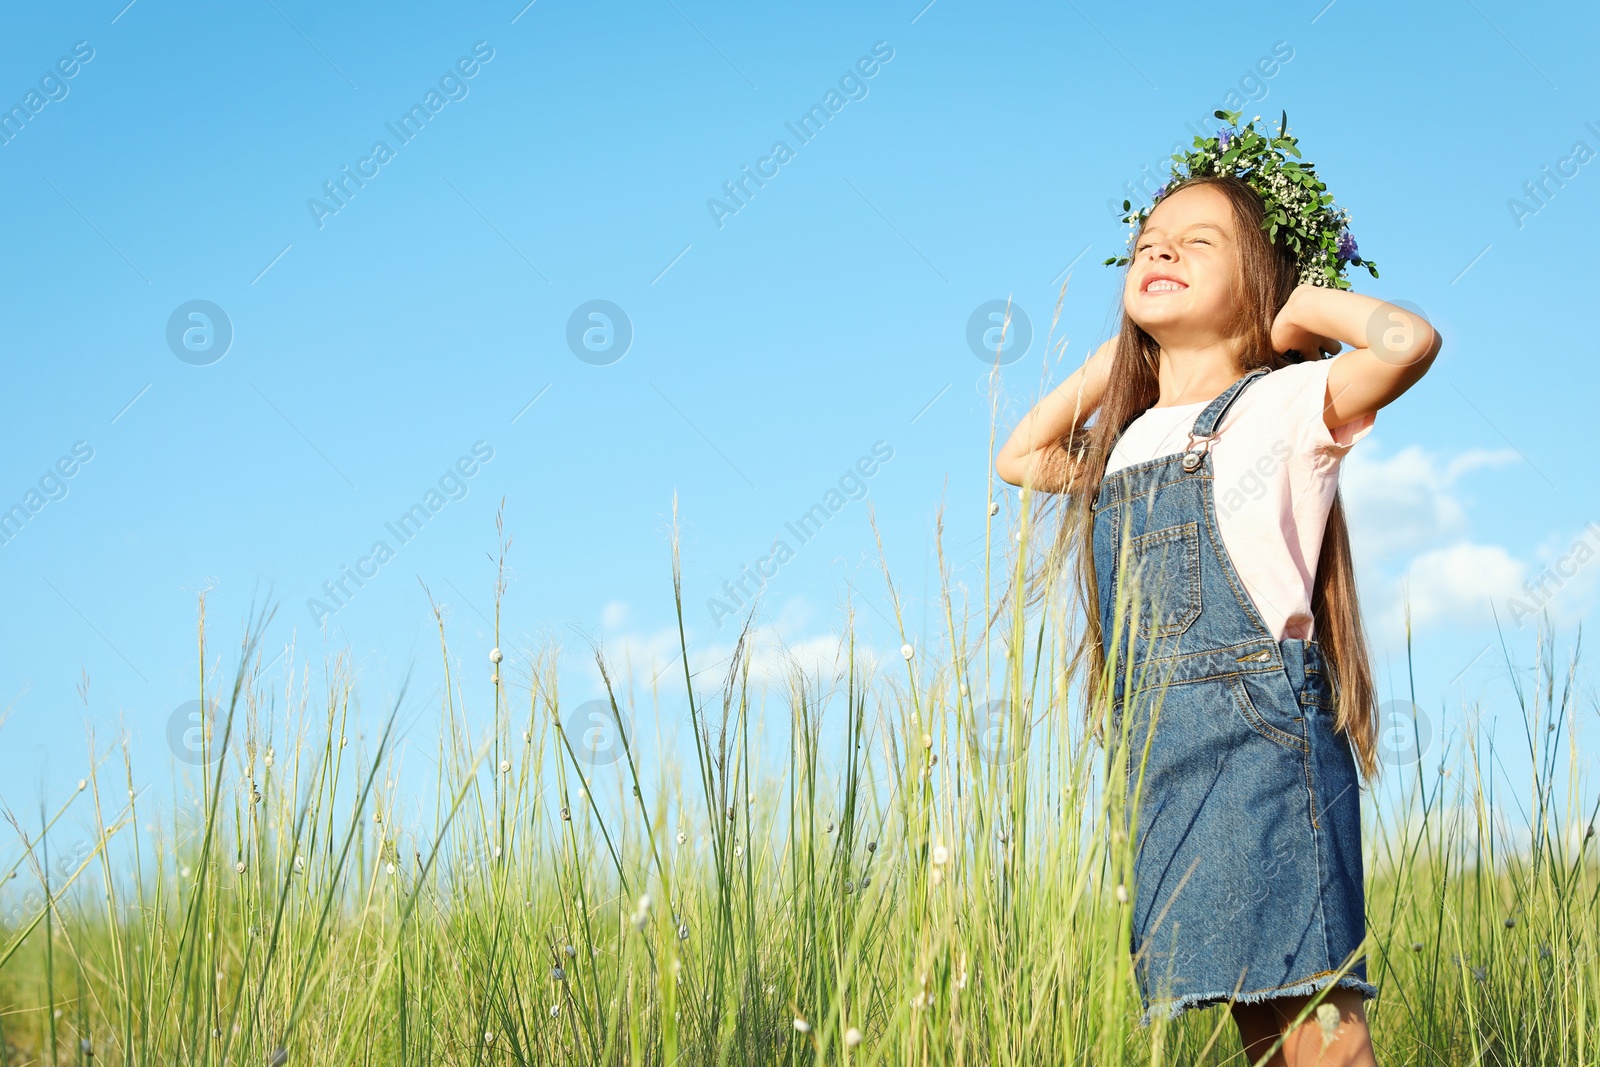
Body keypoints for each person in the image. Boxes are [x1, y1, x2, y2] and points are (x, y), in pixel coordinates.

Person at [995, 116, 1441, 1066]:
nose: (1160, 248)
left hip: (1262, 737)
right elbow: (1019, 454)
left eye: (1199, 242)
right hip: (1169, 749)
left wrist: (1301, 311)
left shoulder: (1289, 403)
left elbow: (1408, 340)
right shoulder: (1122, 439)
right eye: (1149, 241)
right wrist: (1120, 361)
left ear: (1260, 290)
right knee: (1259, 1030)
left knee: (1322, 1027)